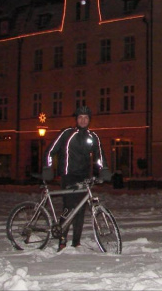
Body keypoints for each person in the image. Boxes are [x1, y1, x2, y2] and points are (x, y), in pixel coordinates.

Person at [46, 105, 110, 251]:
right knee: (69, 207)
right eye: (80, 117)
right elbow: (51, 150)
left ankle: (76, 242)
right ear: (76, 119)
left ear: (89, 120)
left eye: (86, 118)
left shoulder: (92, 137)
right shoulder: (67, 133)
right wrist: (47, 168)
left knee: (80, 210)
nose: (83, 120)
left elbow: (99, 155)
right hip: (68, 176)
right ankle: (62, 240)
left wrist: (104, 169)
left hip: (83, 177)